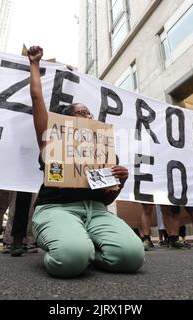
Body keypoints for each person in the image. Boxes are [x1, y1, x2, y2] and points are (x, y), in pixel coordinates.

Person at [28, 46, 144, 278]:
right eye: (81, 113)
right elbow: (36, 98)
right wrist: (34, 65)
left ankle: (84, 248)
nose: (88, 117)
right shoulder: (53, 141)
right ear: (66, 119)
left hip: (97, 212)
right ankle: (71, 247)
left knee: (132, 257)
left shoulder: (104, 151)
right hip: (57, 209)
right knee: (70, 259)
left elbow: (107, 196)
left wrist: (120, 182)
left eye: (89, 114)